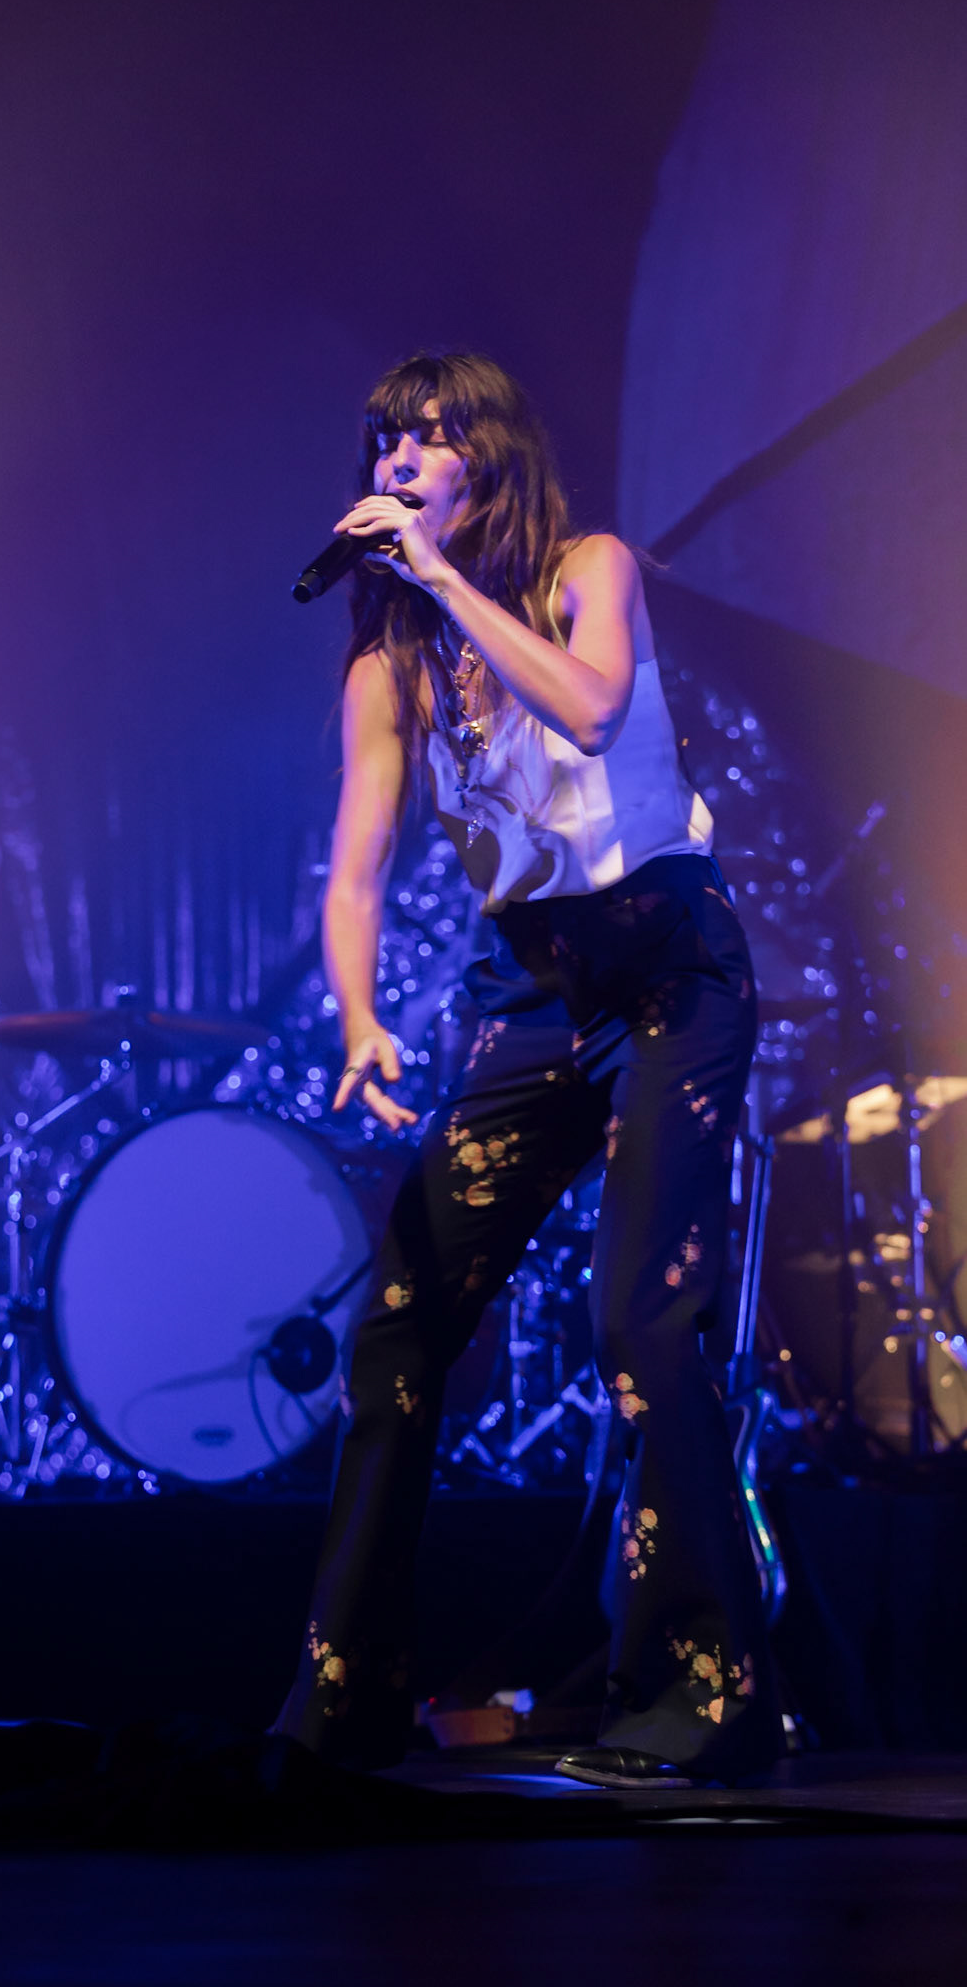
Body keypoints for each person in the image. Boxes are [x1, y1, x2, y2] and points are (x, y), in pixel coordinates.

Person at [272, 352, 783, 1788]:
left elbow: (595, 710)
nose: (393, 461)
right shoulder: (391, 662)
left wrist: (438, 578)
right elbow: (358, 867)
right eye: (381, 440)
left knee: (641, 1328)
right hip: (533, 992)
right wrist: (359, 1015)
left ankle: (706, 1694)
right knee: (400, 1324)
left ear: (483, 461)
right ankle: (343, 1700)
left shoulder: (586, 568)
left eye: (423, 440)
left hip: (669, 974)